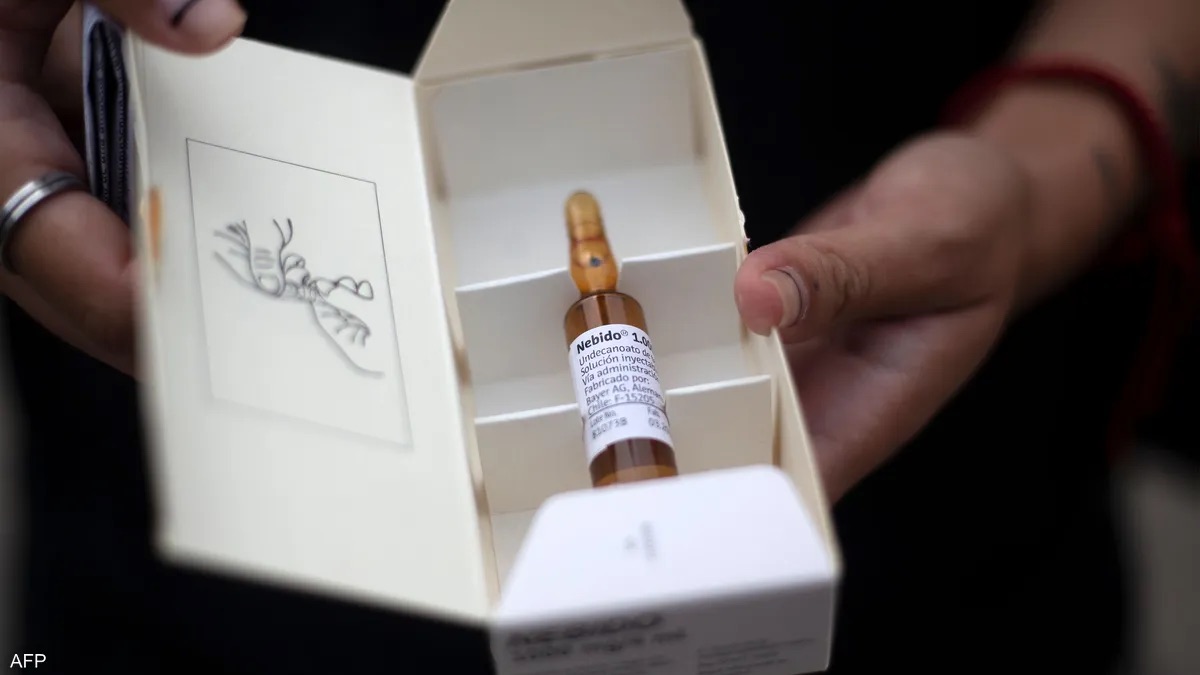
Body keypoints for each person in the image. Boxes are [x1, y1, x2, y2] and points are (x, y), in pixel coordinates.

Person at [1, 0, 1196, 672]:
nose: (589, 267)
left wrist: (1048, 174)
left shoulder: (607, 307)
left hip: (924, 528)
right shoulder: (601, 309)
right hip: (222, 561)